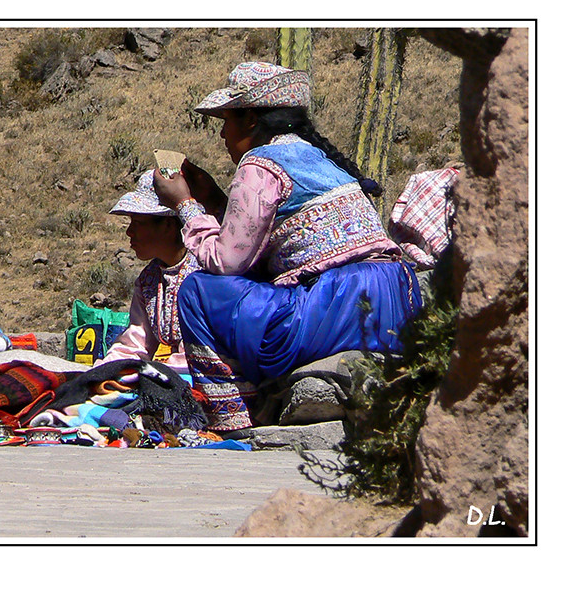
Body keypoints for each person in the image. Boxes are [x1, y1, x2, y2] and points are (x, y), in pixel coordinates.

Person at [153, 61, 422, 438]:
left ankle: (235, 418)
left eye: (226, 120)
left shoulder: (260, 164)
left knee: (198, 291)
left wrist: (185, 205)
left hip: (338, 305)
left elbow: (227, 262)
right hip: (394, 302)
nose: (222, 135)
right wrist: (215, 199)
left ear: (249, 119)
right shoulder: (317, 158)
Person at [98, 169, 201, 372]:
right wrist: (105, 372)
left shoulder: (203, 277)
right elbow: (135, 344)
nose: (129, 231)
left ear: (168, 225)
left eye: (138, 222)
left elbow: (197, 352)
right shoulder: (149, 281)